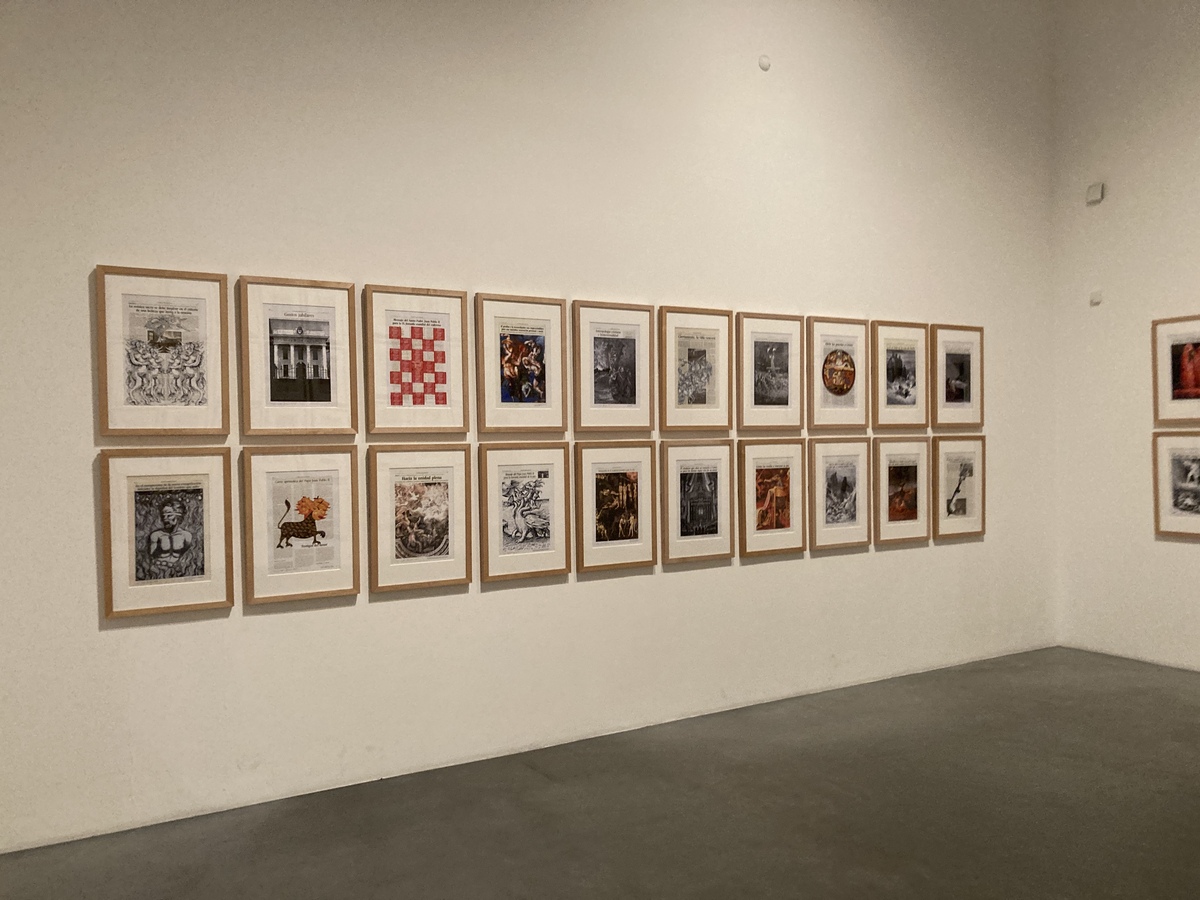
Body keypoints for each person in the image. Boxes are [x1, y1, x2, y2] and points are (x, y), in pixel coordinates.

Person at [147, 499, 194, 578]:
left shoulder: (186, 536)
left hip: (179, 573)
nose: (165, 519)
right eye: (163, 516)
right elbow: (151, 557)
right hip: (159, 572)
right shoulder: (156, 535)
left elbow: (187, 556)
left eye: (169, 515)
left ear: (178, 516)